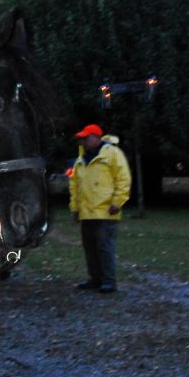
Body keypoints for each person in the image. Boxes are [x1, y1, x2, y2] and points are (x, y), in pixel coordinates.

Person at [69, 123, 132, 293]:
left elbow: (123, 179)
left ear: (97, 137)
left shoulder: (113, 154)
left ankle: (108, 281)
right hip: (86, 213)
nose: (83, 141)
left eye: (86, 138)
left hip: (106, 212)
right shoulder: (80, 160)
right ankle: (95, 279)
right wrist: (75, 208)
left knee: (104, 247)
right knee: (90, 248)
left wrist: (117, 203)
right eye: (81, 139)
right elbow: (74, 185)